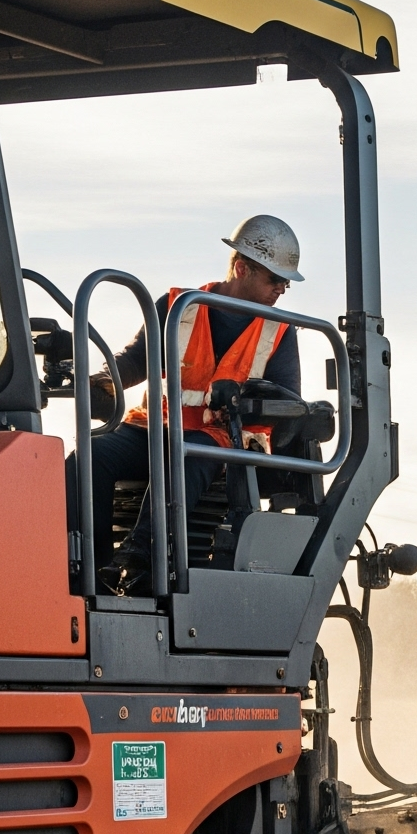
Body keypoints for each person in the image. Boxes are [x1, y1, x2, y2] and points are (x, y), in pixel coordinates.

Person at [67, 214, 307, 592]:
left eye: (285, 283)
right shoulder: (179, 307)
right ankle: (88, 571)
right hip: (154, 427)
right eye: (274, 279)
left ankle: (138, 555)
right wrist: (105, 381)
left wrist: (243, 399)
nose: (281, 290)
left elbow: (287, 397)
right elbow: (136, 360)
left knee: (187, 452)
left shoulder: (278, 331)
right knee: (88, 457)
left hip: (223, 441)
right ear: (241, 268)